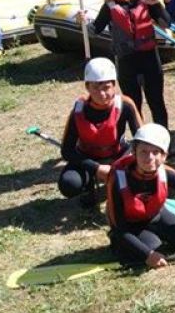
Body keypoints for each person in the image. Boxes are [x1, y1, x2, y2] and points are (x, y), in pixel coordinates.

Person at [79, 0, 170, 126]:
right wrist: (83, 22)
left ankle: (162, 137)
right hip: (126, 60)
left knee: (156, 101)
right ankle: (140, 139)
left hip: (150, 58)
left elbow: (167, 24)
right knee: (133, 104)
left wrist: (158, 4)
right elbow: (95, 30)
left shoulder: (146, 0)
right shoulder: (110, 5)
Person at [105, 123, 175, 268]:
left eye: (155, 152)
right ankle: (121, 245)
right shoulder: (117, 177)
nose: (149, 157)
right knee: (154, 249)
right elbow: (120, 229)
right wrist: (148, 255)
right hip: (129, 226)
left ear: (164, 156)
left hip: (156, 216)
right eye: (143, 151)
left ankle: (155, 237)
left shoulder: (167, 173)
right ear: (134, 152)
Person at [59, 58, 142, 207]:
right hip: (87, 157)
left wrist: (129, 162)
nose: (102, 93)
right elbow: (67, 150)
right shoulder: (79, 110)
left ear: (115, 86)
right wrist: (95, 168)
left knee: (139, 176)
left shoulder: (126, 104)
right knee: (69, 184)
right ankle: (87, 187)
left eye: (106, 87)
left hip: (118, 155)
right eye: (95, 88)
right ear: (87, 87)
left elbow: (142, 139)